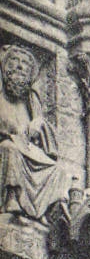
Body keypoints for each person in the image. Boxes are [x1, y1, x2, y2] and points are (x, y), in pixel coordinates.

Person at [0, 41, 57, 219]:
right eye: (14, 61)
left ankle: (51, 212)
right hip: (9, 149)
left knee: (56, 169)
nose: (19, 66)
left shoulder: (30, 104)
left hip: (25, 150)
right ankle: (11, 199)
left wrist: (38, 125)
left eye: (25, 64)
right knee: (10, 148)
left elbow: (41, 138)